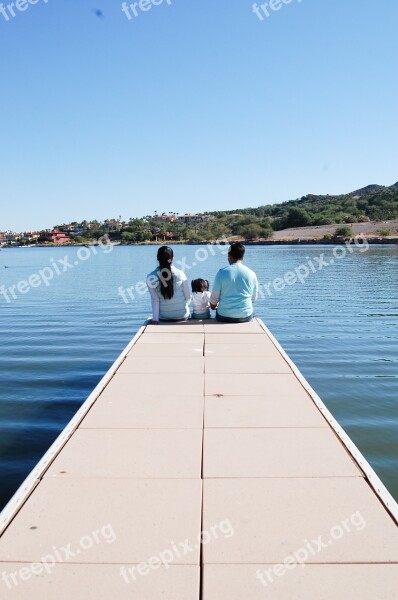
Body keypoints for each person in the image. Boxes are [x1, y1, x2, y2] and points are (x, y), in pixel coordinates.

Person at [210, 242, 258, 323]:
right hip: (246, 316)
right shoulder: (252, 273)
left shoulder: (221, 273)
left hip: (224, 316)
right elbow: (253, 299)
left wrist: (213, 306)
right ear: (242, 256)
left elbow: (214, 300)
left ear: (230, 256)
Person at [146, 246, 191, 324]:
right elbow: (188, 297)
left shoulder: (150, 277)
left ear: (157, 258)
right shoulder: (180, 274)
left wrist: (155, 319)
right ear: (172, 258)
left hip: (163, 317)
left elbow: (155, 300)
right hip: (182, 316)